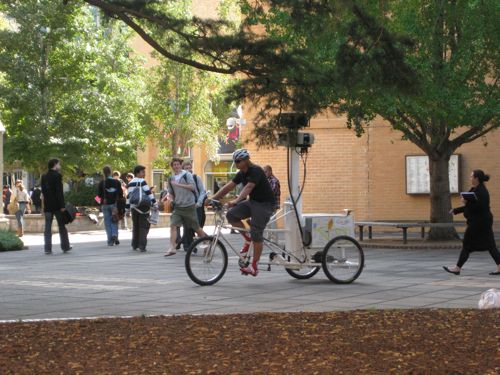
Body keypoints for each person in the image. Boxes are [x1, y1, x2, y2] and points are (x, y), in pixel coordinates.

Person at [207, 149, 276, 276]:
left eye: (238, 161)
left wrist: (236, 200)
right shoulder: (241, 173)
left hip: (265, 204)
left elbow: (248, 187)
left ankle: (254, 267)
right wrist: (213, 198)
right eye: (235, 161)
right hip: (253, 202)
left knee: (256, 233)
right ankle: (248, 239)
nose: (236, 163)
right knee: (231, 215)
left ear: (246, 160)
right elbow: (229, 186)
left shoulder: (256, 170)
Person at [443, 170, 500, 276]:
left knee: (467, 245)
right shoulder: (475, 189)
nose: (470, 178)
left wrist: (465, 202)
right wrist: (456, 210)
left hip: (480, 223)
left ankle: (457, 268)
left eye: (471, 176)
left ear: (476, 178)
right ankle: (499, 267)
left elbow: (477, 207)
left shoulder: (481, 191)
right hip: (481, 222)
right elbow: (470, 206)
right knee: (490, 245)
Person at [163, 158, 207, 257]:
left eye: (177, 164)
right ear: (172, 166)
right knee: (173, 225)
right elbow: (171, 192)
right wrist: (173, 200)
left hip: (189, 206)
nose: (176, 166)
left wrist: (178, 185)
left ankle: (206, 241)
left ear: (180, 165)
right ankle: (172, 248)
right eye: (174, 165)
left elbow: (192, 187)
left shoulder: (187, 175)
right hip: (178, 206)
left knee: (196, 228)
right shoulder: (171, 178)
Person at [41, 158, 71, 254]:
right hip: (57, 206)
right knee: (61, 226)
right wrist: (62, 206)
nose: (60, 166)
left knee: (47, 228)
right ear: (55, 165)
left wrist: (43, 206)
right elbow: (59, 192)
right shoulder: (57, 176)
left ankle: (47, 249)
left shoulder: (44, 176)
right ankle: (65, 246)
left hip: (48, 206)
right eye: (59, 164)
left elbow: (44, 192)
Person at [126, 165, 157, 252]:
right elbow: (149, 193)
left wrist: (127, 209)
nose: (144, 174)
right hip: (143, 207)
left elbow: (128, 197)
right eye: (143, 172)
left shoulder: (130, 182)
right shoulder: (142, 181)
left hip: (134, 207)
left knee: (135, 226)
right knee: (144, 226)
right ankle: (142, 245)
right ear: (137, 173)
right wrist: (155, 203)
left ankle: (134, 245)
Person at [179, 160, 207, 251]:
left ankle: (194, 242)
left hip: (196, 205)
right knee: (187, 226)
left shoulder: (196, 178)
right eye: (186, 168)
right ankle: (189, 245)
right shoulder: (181, 180)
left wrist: (199, 203)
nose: (188, 169)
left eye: (190, 167)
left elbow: (202, 191)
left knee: (196, 225)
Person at [97, 166, 124, 246]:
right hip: (114, 205)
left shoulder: (101, 183)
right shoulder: (117, 182)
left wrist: (99, 203)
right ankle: (114, 235)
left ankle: (110, 241)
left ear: (103, 172)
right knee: (114, 220)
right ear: (111, 172)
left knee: (107, 222)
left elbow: (98, 196)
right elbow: (121, 195)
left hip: (105, 205)